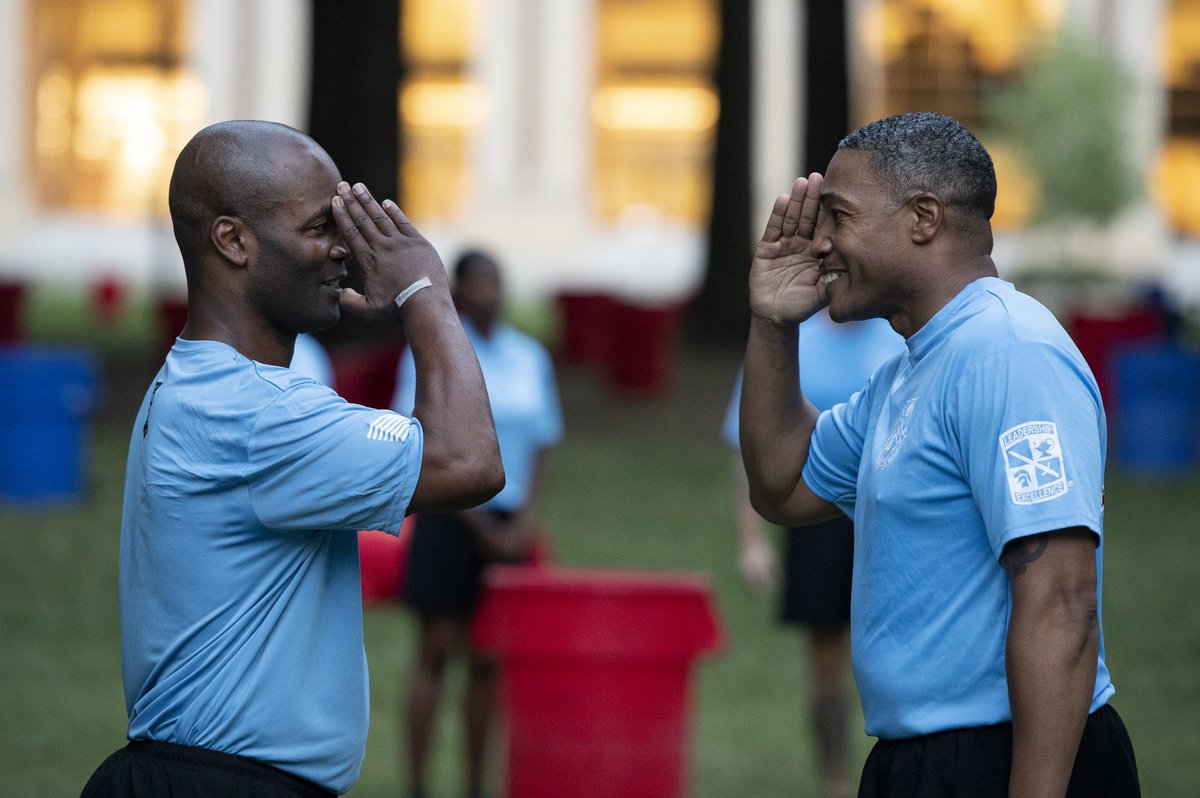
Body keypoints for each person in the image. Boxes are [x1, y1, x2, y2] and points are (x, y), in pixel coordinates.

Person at [82, 120, 504, 797]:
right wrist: (424, 292)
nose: (343, 249)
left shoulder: (201, 384)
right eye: (318, 228)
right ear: (233, 240)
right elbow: (470, 460)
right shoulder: (253, 415)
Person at [738, 112, 1139, 797]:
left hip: (1006, 757)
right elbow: (782, 484)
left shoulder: (1011, 354)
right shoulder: (909, 371)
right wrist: (773, 324)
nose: (823, 243)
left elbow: (1062, 604)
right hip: (917, 760)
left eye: (839, 215)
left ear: (923, 218)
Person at [392, 249, 563, 798]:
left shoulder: (528, 356)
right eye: (480, 283)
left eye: (498, 281)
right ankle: (418, 783)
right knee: (437, 650)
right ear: (460, 292)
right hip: (450, 516)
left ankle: (473, 784)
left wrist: (522, 524)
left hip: (509, 521)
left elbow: (541, 443)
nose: (492, 293)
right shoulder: (433, 352)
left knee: (488, 659)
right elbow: (416, 438)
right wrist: (478, 525)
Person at [722, 309, 903, 798]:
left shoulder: (900, 337)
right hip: (816, 521)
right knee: (827, 664)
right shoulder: (787, 342)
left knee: (900, 655)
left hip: (893, 517)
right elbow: (751, 449)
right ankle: (837, 783)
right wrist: (753, 542)